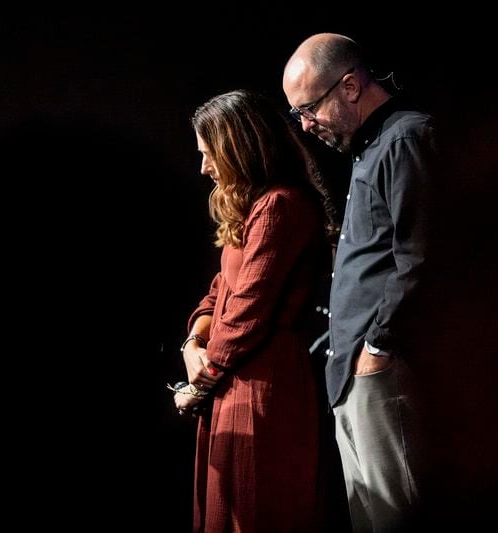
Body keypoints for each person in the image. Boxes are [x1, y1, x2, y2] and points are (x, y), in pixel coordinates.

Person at [283, 33, 438, 531]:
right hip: (354, 371)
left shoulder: (406, 138)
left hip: (378, 370)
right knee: (368, 519)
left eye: (308, 109)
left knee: (397, 518)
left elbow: (420, 258)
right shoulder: (367, 149)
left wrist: (378, 346)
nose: (306, 126)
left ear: (350, 86)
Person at [173, 89, 337, 532]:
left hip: (262, 382)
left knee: (257, 507)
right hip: (232, 379)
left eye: (210, 154)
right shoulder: (251, 207)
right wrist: (193, 344)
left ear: (239, 148)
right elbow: (218, 291)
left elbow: (248, 311)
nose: (205, 167)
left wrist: (202, 380)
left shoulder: (280, 206)